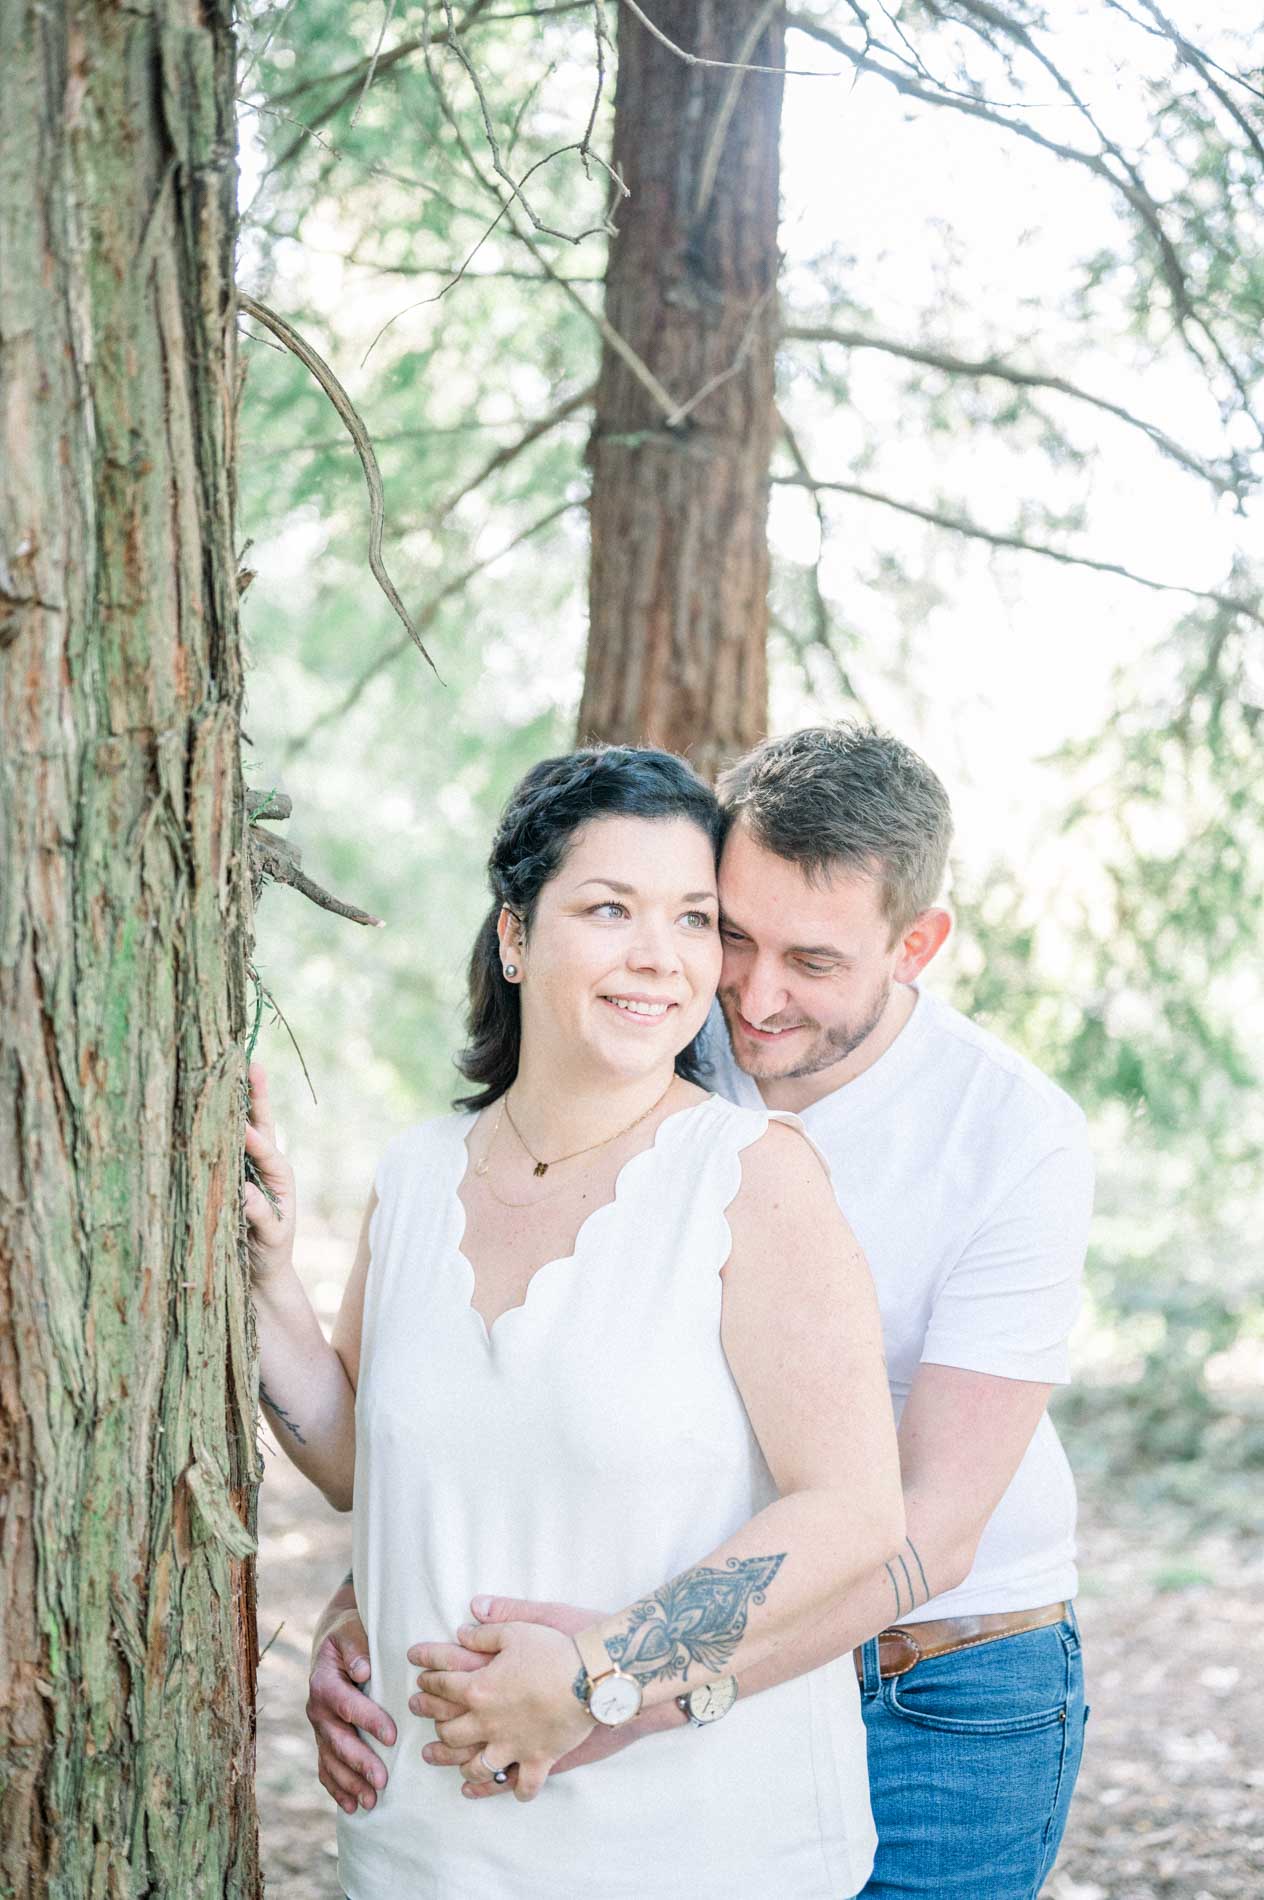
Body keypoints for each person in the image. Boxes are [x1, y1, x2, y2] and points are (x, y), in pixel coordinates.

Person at [307, 724, 1095, 1899]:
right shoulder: (674, 1034)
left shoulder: (1011, 1134)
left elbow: (925, 1527)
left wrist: (623, 1688)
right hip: (698, 1621)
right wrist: (377, 1584)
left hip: (946, 1677)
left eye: (813, 963)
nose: (753, 995)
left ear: (916, 944)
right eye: (731, 932)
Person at [246, 744, 905, 1900]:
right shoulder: (416, 1172)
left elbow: (853, 1513)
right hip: (425, 1848)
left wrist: (600, 1672)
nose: (660, 955)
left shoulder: (750, 1176)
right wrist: (263, 1288)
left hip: (693, 1851)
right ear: (513, 935)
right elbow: (364, 1463)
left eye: (695, 919)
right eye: (610, 908)